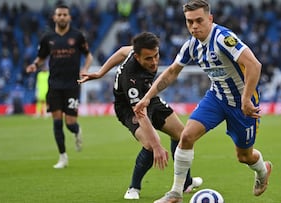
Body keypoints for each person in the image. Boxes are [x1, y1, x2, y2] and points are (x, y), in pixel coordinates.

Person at [133, 1, 272, 202]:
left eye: (199, 20)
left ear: (210, 19)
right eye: (189, 22)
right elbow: (171, 72)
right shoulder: (191, 45)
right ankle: (176, 193)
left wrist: (245, 98)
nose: (194, 26)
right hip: (216, 98)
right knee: (186, 136)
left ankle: (263, 171)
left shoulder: (224, 38)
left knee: (244, 156)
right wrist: (146, 98)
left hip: (242, 104)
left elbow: (254, 65)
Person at [78, 32, 202, 200]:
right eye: (148, 59)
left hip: (149, 97)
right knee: (150, 145)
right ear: (137, 57)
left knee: (181, 134)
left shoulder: (135, 51)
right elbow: (140, 113)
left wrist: (100, 73)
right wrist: (157, 146)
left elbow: (122, 51)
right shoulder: (132, 78)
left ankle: (186, 182)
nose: (154, 62)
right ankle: (133, 188)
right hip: (129, 108)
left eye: (156, 55)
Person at [25, 4, 93, 169]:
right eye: (59, 15)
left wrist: (85, 69)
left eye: (65, 15)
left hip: (72, 85)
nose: (62, 17)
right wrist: (34, 65)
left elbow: (88, 55)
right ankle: (63, 157)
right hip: (54, 84)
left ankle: (77, 131)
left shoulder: (77, 36)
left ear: (69, 17)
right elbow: (41, 57)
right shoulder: (47, 38)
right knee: (56, 122)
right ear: (54, 17)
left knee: (70, 123)